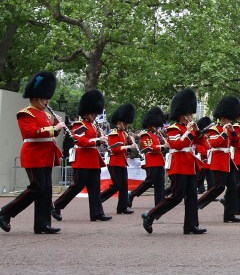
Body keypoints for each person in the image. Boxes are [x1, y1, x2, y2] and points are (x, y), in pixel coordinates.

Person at [1, 71, 64, 234]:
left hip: (46, 156)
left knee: (46, 189)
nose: (47, 101)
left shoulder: (44, 113)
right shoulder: (25, 113)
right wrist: (53, 128)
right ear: (35, 97)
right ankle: (5, 213)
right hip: (34, 155)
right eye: (45, 98)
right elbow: (31, 132)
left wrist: (57, 127)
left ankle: (42, 224)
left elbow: (49, 133)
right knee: (37, 188)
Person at [141, 89, 205, 235]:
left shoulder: (187, 128)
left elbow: (203, 143)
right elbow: (177, 145)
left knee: (192, 198)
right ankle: (150, 215)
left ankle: (191, 225)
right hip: (179, 165)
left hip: (189, 165)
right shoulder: (173, 128)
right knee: (176, 196)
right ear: (183, 115)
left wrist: (197, 131)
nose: (191, 117)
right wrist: (189, 132)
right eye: (189, 114)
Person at [52, 89, 110, 222]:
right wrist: (97, 140)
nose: (96, 115)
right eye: (94, 113)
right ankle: (57, 205)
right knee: (77, 186)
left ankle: (97, 213)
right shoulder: (80, 124)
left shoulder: (93, 126)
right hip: (83, 159)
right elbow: (80, 141)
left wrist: (101, 138)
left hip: (93, 160)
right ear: (87, 113)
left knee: (95, 188)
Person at [201, 96, 240, 222]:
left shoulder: (229, 128)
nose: (230, 121)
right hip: (218, 161)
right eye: (228, 119)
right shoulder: (214, 129)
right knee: (219, 187)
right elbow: (214, 144)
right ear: (223, 118)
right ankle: (197, 204)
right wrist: (224, 132)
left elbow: (236, 143)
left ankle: (229, 215)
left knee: (233, 188)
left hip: (228, 161)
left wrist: (233, 132)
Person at [100, 103, 138, 215]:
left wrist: (132, 143)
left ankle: (122, 207)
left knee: (124, 186)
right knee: (117, 185)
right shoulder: (113, 133)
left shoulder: (124, 134)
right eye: (125, 123)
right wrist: (128, 146)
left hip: (122, 162)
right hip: (114, 162)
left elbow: (126, 150)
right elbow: (115, 149)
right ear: (119, 122)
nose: (126, 125)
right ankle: (98, 199)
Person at [128, 107, 168, 206]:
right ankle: (132, 194)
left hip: (159, 162)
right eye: (156, 125)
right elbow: (149, 148)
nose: (158, 127)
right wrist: (163, 146)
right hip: (152, 162)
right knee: (149, 182)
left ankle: (160, 203)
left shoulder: (155, 135)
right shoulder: (146, 135)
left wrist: (164, 143)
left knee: (160, 183)